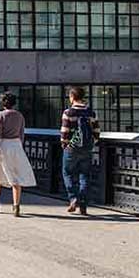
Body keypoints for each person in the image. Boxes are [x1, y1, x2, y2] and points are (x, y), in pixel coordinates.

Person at [0, 92, 37, 217]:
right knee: (15, 175)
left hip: (3, 145)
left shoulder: (0, 115)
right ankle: (16, 206)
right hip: (16, 145)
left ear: (2, 102)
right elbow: (22, 134)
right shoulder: (20, 116)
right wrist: (19, 145)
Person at [60, 87, 101, 216]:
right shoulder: (90, 112)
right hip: (87, 148)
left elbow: (65, 131)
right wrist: (91, 143)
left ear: (72, 97)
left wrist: (65, 144)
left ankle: (73, 198)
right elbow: (97, 131)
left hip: (72, 148)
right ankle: (83, 205)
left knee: (67, 173)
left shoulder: (68, 112)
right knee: (85, 175)